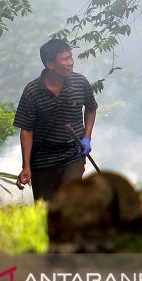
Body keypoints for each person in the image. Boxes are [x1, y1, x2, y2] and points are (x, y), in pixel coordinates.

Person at [13, 38, 97, 202]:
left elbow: (91, 108)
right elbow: (26, 130)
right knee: (46, 209)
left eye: (71, 57)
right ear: (50, 64)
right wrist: (26, 166)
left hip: (73, 154)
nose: (71, 63)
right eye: (65, 59)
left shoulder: (80, 82)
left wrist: (86, 137)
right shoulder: (32, 91)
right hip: (42, 160)